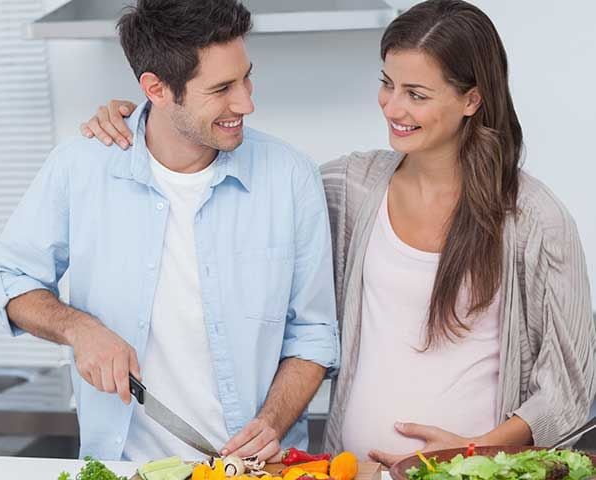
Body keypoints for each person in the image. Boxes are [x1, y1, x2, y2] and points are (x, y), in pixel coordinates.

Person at [80, 0, 595, 467]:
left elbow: (569, 389)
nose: (392, 107)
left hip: (471, 475)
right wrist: (147, 120)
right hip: (351, 470)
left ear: (472, 100)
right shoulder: (346, 189)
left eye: (415, 94)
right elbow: (234, 184)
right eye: (387, 83)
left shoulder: (534, 219)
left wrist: (472, 450)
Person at [0, 0, 339, 463]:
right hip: (124, 467)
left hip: (257, 471)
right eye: (221, 88)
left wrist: (271, 424)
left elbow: (313, 332)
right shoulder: (81, 168)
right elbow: (13, 280)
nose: (247, 102)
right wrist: (80, 329)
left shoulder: (290, 177)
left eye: (246, 76)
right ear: (156, 88)